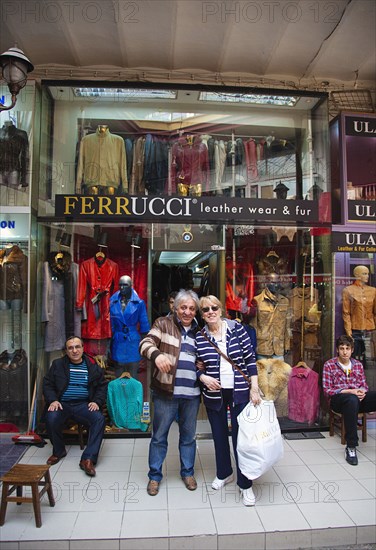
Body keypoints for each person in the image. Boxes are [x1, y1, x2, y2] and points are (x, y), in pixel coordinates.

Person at [195, 295, 261, 506]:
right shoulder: (200, 337)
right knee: (219, 435)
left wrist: (255, 387)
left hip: (240, 391)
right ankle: (224, 472)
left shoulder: (237, 330)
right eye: (205, 309)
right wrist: (202, 377)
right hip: (215, 393)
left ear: (221, 310)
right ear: (202, 314)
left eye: (214, 307)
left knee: (241, 440)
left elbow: (251, 359)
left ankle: (245, 484)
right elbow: (195, 366)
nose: (210, 312)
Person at [139, 289, 201, 496]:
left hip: (191, 395)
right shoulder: (162, 324)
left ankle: (187, 472)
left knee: (188, 437)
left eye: (192, 308)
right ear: (175, 308)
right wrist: (156, 355)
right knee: (159, 437)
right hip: (166, 393)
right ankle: (154, 476)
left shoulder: (200, 332)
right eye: (183, 307)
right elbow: (145, 343)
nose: (187, 312)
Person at [42, 335, 107, 476]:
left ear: (83, 348)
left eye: (77, 347)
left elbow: (102, 387)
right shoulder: (58, 364)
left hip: (83, 405)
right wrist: (53, 399)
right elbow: (47, 384)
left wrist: (96, 401)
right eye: (70, 348)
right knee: (51, 417)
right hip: (62, 404)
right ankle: (59, 451)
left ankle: (88, 458)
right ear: (66, 351)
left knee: (99, 419)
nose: (75, 350)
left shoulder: (93, 367)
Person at [322, 334, 376, 466]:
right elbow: (328, 390)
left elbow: (364, 384)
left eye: (347, 348)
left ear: (352, 350)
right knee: (351, 400)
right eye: (342, 348)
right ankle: (351, 447)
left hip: (357, 399)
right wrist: (351, 391)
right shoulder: (329, 365)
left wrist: (362, 391)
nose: (345, 351)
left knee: (358, 399)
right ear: (337, 350)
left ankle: (356, 398)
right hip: (339, 400)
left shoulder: (357, 365)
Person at [109, 275, 150, 378]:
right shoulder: (112, 302)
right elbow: (110, 323)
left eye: (125, 285)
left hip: (133, 339)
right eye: (120, 285)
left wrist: (146, 344)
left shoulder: (139, 303)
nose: (122, 288)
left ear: (131, 286)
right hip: (118, 340)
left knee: (133, 373)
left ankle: (132, 394)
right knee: (118, 373)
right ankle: (119, 394)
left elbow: (144, 323)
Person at [342, 265, 376, 364]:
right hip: (355, 329)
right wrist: (349, 332)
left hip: (370, 328)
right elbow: (346, 313)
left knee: (370, 358)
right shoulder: (348, 290)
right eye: (364, 273)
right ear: (357, 275)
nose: (367, 276)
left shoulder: (373, 291)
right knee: (355, 357)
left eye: (368, 273)